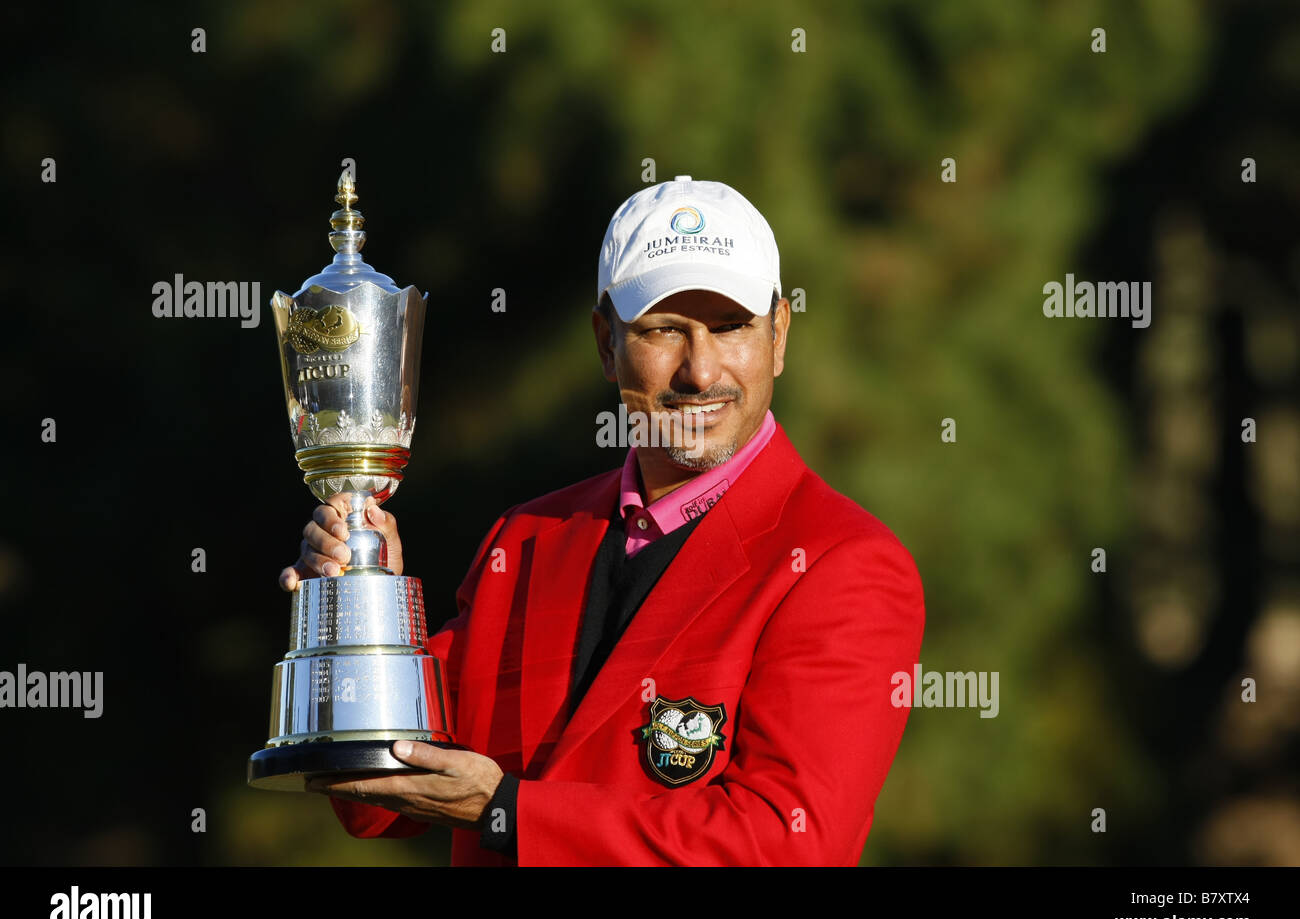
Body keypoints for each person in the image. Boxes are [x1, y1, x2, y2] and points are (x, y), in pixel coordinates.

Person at [279, 176, 926, 865]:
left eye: (731, 326)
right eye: (664, 329)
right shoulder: (526, 540)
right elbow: (378, 785)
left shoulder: (842, 563)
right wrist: (361, 602)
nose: (701, 371)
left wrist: (508, 815)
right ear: (605, 341)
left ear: (780, 334)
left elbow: (787, 845)